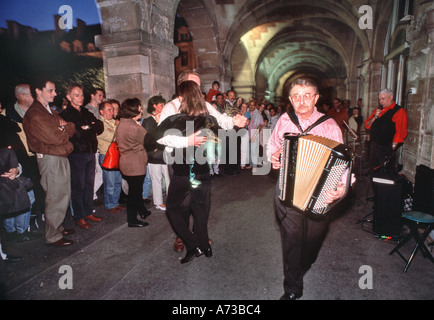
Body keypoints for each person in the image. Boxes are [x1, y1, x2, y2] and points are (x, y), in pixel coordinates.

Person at [267, 78, 349, 300]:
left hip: (320, 193)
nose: (301, 101)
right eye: (296, 96)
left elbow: (344, 161)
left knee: (312, 240)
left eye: (306, 95)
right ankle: (293, 288)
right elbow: (273, 145)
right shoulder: (284, 120)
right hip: (287, 189)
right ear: (290, 100)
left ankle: (306, 260)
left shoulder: (329, 125)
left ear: (315, 98)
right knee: (292, 239)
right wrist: (273, 157)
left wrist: (342, 187)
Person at [158, 70, 247, 252]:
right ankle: (183, 237)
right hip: (180, 161)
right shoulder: (171, 107)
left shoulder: (205, 105)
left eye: (199, 85)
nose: (198, 89)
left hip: (202, 160)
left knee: (202, 204)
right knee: (182, 204)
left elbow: (221, 120)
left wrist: (235, 121)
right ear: (182, 86)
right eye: (194, 85)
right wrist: (186, 141)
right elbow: (161, 136)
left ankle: (201, 236)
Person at [145, 80, 216, 264]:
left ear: (182, 98)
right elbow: (220, 139)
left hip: (184, 172)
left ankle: (193, 245)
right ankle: (205, 246)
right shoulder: (209, 119)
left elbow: (150, 139)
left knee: (173, 208)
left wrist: (182, 142)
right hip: (203, 171)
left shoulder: (175, 120)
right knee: (200, 210)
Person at [23, 78, 76, 247]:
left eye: (54, 90)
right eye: (50, 90)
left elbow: (71, 127)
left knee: (62, 193)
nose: (55, 93)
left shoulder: (47, 110)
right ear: (38, 91)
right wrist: (61, 129)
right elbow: (56, 137)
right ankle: (52, 235)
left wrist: (63, 128)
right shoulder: (36, 114)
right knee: (56, 195)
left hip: (58, 155)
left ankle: (57, 227)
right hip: (50, 158)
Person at [60, 83, 104, 229]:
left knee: (89, 185)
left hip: (90, 152)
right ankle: (79, 216)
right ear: (69, 97)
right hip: (77, 154)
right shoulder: (66, 114)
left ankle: (88, 211)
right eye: (76, 95)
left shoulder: (85, 111)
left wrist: (88, 127)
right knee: (78, 186)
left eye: (81, 95)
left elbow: (100, 126)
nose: (80, 98)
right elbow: (76, 134)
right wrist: (89, 128)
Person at [116, 98, 150, 227]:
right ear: (133, 110)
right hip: (135, 164)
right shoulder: (134, 126)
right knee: (134, 193)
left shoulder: (122, 123)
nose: (141, 110)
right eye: (139, 108)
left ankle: (142, 211)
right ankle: (132, 220)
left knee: (135, 189)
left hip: (126, 162)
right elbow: (147, 140)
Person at [364, 88, 407, 177]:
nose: (381, 102)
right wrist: (375, 117)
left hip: (386, 147)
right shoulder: (377, 110)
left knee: (384, 173)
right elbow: (367, 125)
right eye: (379, 99)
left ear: (391, 97)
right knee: (372, 170)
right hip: (374, 145)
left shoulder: (399, 111)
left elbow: (400, 132)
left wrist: (392, 149)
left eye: (383, 99)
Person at [142, 95, 170, 211]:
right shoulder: (148, 121)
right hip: (154, 154)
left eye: (164, 105)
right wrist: (158, 123)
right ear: (154, 106)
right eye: (161, 105)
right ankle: (158, 202)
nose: (163, 107)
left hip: (164, 152)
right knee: (156, 177)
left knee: (168, 176)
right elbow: (149, 138)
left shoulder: (165, 118)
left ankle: (172, 198)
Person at [97, 101, 124, 213]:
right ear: (101, 112)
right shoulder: (99, 123)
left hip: (117, 154)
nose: (112, 112)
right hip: (107, 155)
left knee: (118, 181)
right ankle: (109, 204)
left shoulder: (114, 122)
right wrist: (118, 127)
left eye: (112, 110)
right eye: (109, 110)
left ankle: (115, 202)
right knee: (110, 182)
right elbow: (113, 137)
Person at [84, 87, 105, 204]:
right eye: (99, 95)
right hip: (92, 145)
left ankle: (92, 194)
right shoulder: (87, 109)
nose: (102, 98)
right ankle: (91, 194)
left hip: (100, 144)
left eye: (102, 96)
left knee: (99, 171)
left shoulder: (100, 108)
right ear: (93, 95)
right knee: (98, 171)